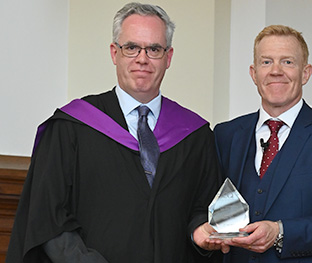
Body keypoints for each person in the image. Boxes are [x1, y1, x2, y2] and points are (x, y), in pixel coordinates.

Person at [6, 2, 223, 262]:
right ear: (114, 53)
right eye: (131, 47)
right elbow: (48, 215)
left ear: (168, 57)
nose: (142, 59)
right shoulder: (71, 127)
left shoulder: (195, 135)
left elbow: (201, 209)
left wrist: (199, 233)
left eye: (154, 49)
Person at [212, 25, 312, 262]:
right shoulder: (225, 135)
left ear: (305, 73)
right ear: (253, 73)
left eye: (287, 62)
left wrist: (281, 232)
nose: (276, 71)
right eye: (266, 62)